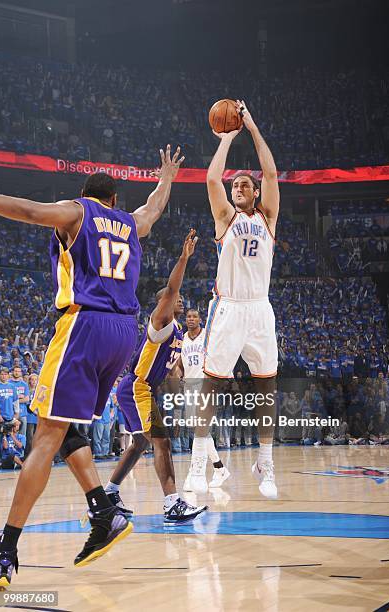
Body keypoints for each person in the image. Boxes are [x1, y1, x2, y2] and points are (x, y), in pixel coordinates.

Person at [0, 144, 184, 587]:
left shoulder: (76, 212)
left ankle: (4, 551)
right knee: (66, 429)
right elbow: (154, 208)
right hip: (124, 332)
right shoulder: (131, 224)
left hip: (84, 324)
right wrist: (167, 178)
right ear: (115, 200)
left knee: (44, 435)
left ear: (86, 196)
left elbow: (29, 210)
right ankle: (103, 512)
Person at [190, 101, 280, 498]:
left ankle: (266, 458)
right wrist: (227, 138)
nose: (237, 188)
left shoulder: (268, 218)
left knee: (267, 387)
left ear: (256, 191)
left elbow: (272, 170)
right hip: (227, 308)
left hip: (260, 309)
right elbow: (212, 180)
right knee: (211, 385)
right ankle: (197, 463)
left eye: (245, 185)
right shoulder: (225, 219)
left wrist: (253, 126)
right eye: (235, 185)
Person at [103, 230, 207, 523]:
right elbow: (172, 288)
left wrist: (181, 379)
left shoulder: (177, 334)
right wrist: (184, 257)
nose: (181, 302)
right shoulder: (161, 321)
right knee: (161, 441)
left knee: (140, 443)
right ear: (164, 303)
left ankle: (110, 492)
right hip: (136, 387)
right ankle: (172, 504)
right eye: (177, 300)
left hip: (141, 388)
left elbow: (172, 368)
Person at [179, 308, 230, 491]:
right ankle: (219, 468)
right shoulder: (182, 339)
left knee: (200, 429)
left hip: (205, 385)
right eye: (188, 317)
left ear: (200, 320)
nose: (191, 319)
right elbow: (179, 364)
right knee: (198, 429)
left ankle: (193, 474)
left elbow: (220, 356)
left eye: (194, 317)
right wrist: (178, 376)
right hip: (189, 386)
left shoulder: (207, 337)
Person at [9, 366, 29, 438]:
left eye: (18, 371)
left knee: (22, 436)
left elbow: (26, 399)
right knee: (10, 435)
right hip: (10, 414)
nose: (17, 373)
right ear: (12, 372)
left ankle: (21, 449)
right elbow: (8, 399)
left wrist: (14, 400)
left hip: (22, 414)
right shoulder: (8, 384)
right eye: (15, 371)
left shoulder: (24, 384)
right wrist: (20, 397)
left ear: (21, 373)